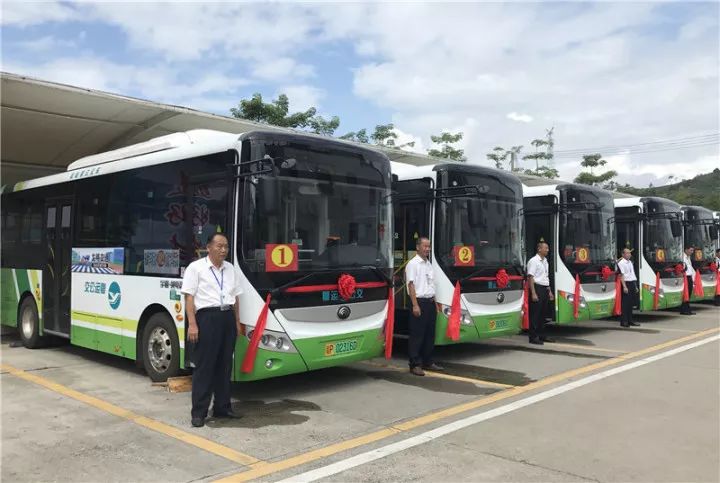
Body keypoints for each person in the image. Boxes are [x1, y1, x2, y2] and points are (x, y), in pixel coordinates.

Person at [181, 233, 244, 427]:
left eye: (226, 246)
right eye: (219, 246)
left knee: (225, 365)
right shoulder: (196, 268)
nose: (223, 250)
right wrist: (192, 324)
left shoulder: (230, 269)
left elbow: (236, 297)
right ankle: (199, 412)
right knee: (205, 366)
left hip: (227, 318)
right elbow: (189, 297)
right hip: (207, 318)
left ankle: (222, 407)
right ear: (208, 247)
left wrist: (237, 322)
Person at [405, 237, 442, 376]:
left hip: (430, 302)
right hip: (419, 302)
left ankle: (428, 361)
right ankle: (414, 364)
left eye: (429, 246)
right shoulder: (413, 264)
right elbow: (411, 285)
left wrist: (435, 303)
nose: (427, 249)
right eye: (425, 246)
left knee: (430, 334)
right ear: (418, 247)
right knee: (417, 335)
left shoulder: (428, 264)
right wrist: (415, 305)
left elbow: (431, 285)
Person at [527, 241, 555, 345]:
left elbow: (545, 277)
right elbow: (530, 277)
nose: (547, 250)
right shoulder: (533, 261)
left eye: (547, 248)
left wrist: (550, 291)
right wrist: (533, 293)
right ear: (539, 249)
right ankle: (533, 337)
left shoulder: (545, 261)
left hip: (545, 289)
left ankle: (542, 335)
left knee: (543, 314)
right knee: (535, 314)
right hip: (537, 288)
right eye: (545, 248)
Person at [617, 248, 640, 327]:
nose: (629, 254)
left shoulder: (630, 262)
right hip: (626, 283)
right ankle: (624, 321)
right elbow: (621, 275)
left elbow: (632, 274)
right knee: (625, 304)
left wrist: (635, 286)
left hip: (631, 283)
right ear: (623, 254)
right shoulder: (621, 263)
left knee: (630, 303)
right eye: (627, 253)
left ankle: (630, 320)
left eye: (629, 253)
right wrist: (624, 286)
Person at [680, 245, 696, 315]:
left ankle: (687, 309)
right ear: (686, 250)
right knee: (686, 294)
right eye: (691, 250)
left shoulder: (688, 258)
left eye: (693, 250)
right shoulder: (682, 257)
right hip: (685, 277)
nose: (692, 252)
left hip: (689, 277)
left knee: (689, 294)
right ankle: (684, 310)